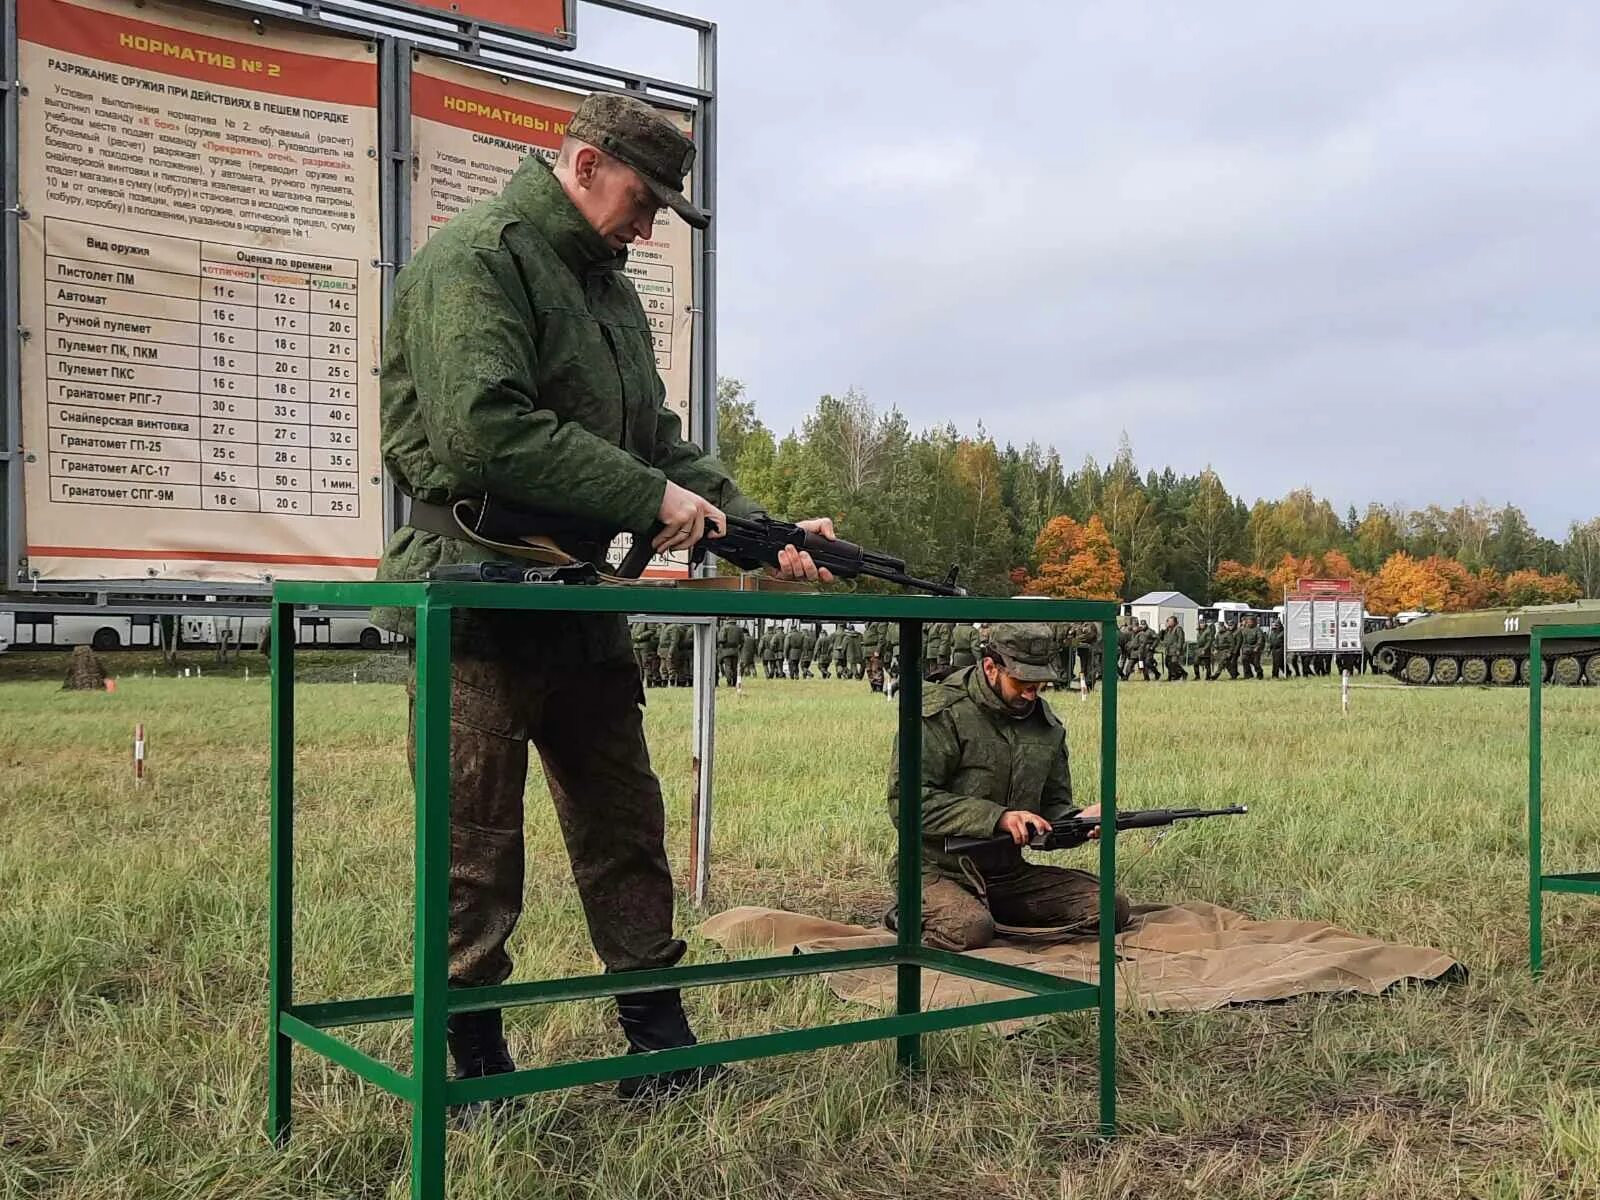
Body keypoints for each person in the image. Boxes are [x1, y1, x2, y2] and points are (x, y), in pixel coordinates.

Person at [371, 92, 836, 1104]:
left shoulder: (609, 289)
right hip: (474, 598)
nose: (650, 221)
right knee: (474, 848)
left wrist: (766, 531)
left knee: (625, 826)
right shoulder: (477, 259)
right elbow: (481, 431)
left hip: (576, 598)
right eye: (642, 196)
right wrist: (646, 495)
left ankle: (658, 1050)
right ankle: (475, 1071)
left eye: (664, 203)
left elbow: (656, 446)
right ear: (583, 167)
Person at [885, 622, 1131, 950]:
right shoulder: (942, 711)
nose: (1033, 689)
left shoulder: (1047, 726)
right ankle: (908, 912)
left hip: (1008, 874)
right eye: (1023, 679)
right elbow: (907, 803)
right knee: (969, 928)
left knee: (1110, 908)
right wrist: (997, 817)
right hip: (934, 868)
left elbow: (1051, 808)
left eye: (1041, 679)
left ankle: (992, 911)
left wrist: (1079, 820)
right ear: (990, 667)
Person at [716, 619, 743, 687]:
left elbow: (721, 639)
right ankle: (734, 682)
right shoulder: (739, 629)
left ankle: (729, 682)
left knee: (728, 667)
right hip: (735, 651)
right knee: (734, 667)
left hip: (726, 650)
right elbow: (742, 641)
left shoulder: (724, 628)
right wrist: (739, 648)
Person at [1160, 615, 1187, 681]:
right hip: (1169, 650)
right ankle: (1171, 676)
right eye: (1168, 621)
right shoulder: (1167, 630)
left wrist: (1178, 649)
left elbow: (1181, 639)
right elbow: (1161, 638)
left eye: (1170, 621)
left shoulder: (1178, 629)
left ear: (1174, 622)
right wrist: (1162, 631)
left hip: (1175, 649)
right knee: (1167, 663)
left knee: (1174, 663)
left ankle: (1181, 673)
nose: (1168, 623)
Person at [1238, 616, 1264, 680]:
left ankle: (1259, 674)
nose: (1249, 623)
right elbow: (1243, 640)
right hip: (1246, 649)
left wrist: (1257, 647)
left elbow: (1260, 639)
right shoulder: (1245, 630)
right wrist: (1243, 648)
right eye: (1248, 622)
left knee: (1256, 663)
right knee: (1244, 660)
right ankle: (1248, 675)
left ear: (1254, 622)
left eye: (1251, 622)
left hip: (1255, 649)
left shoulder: (1258, 629)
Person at [1194, 616, 1214, 681]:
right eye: (1200, 623)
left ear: (1205, 623)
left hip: (1206, 649)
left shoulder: (1208, 631)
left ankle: (1208, 677)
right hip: (1199, 649)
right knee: (1195, 663)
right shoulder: (1199, 631)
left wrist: (1204, 649)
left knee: (1207, 665)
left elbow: (1209, 641)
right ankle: (1197, 676)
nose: (1202, 624)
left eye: (1203, 623)